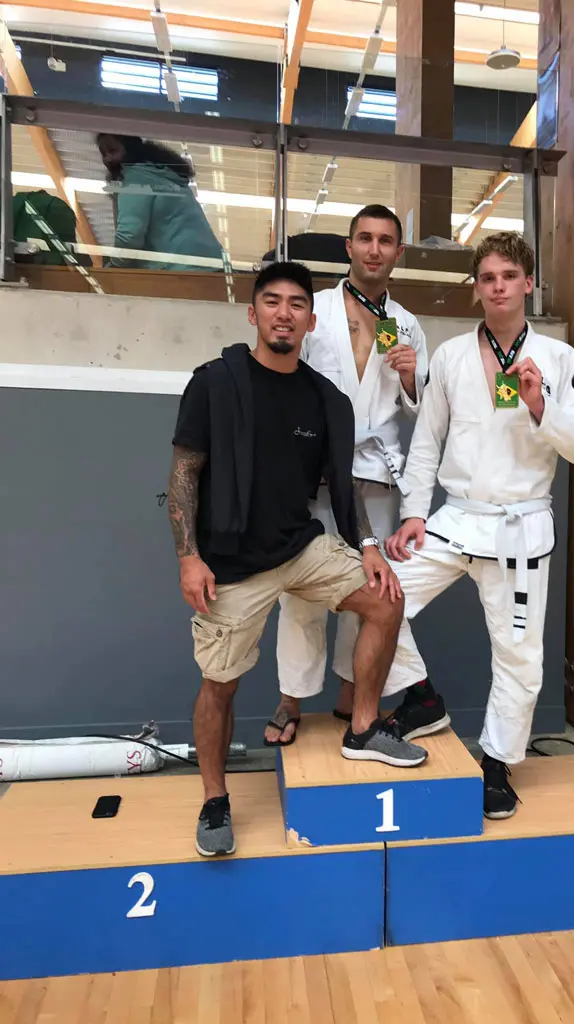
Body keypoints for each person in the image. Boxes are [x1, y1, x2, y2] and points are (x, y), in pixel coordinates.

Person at [168, 261, 429, 858]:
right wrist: (189, 557)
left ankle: (363, 727)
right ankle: (214, 799)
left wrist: (367, 549)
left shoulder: (326, 400)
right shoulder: (214, 382)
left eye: (295, 305)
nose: (284, 313)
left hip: (301, 547)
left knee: (386, 600)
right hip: (232, 562)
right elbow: (184, 474)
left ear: (312, 321)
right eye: (272, 302)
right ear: (253, 312)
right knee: (220, 686)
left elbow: (343, 489)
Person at [386, 232, 574, 820]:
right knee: (375, 601)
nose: (499, 286)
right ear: (477, 288)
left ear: (528, 283)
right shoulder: (452, 356)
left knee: (518, 658)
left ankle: (497, 763)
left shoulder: (560, 360)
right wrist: (413, 513)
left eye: (509, 275)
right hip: (457, 518)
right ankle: (422, 696)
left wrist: (541, 406)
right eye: (487, 278)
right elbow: (427, 442)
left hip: (520, 526)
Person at [267, 205, 450, 746]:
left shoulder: (408, 323)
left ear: (398, 253)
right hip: (313, 473)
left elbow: (423, 410)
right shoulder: (316, 308)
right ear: (348, 247)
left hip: (377, 473)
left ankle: (352, 696)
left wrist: (415, 378)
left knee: (370, 592)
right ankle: (290, 699)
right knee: (299, 591)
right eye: (365, 239)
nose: (374, 249)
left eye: (385, 241)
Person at [97, 134, 222, 272]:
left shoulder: (136, 178)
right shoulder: (165, 175)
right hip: (214, 266)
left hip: (183, 269)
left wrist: (113, 267)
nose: (107, 159)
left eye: (113, 150)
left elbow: (129, 235)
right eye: (103, 153)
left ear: (130, 149)